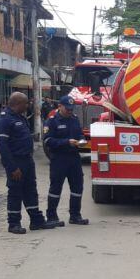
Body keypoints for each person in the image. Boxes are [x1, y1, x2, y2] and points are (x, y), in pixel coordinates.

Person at [0, 92, 59, 234]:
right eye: (25, 103)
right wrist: (12, 167)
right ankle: (14, 223)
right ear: (17, 103)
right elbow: (2, 146)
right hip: (16, 161)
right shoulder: (4, 119)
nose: (28, 105)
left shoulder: (20, 117)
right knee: (15, 192)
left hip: (27, 160)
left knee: (31, 190)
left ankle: (36, 221)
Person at [43, 95, 88, 226]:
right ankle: (51, 216)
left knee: (77, 187)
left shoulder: (74, 119)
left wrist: (81, 141)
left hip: (74, 158)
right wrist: (66, 142)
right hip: (59, 158)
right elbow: (47, 141)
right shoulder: (52, 121)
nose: (70, 111)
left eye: (71, 109)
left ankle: (75, 215)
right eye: (67, 109)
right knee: (56, 188)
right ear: (60, 107)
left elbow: (80, 134)